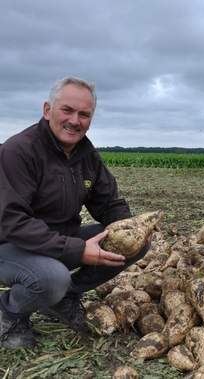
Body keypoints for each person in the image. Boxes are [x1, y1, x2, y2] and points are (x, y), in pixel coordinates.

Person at [0, 77, 149, 348]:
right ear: (47, 110)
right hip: (10, 245)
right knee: (52, 277)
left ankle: (63, 298)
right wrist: (76, 250)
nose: (75, 120)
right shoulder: (18, 151)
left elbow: (108, 203)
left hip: (59, 240)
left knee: (135, 244)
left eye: (84, 114)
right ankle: (10, 312)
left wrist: (130, 228)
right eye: (67, 110)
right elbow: (14, 222)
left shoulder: (86, 154)